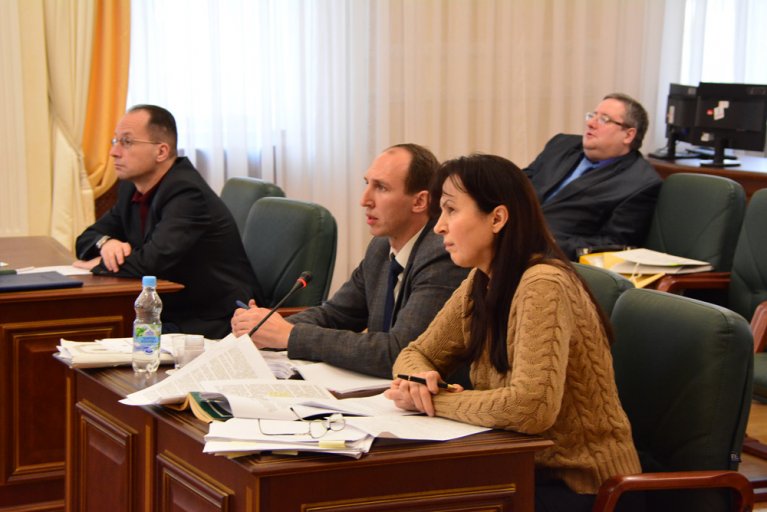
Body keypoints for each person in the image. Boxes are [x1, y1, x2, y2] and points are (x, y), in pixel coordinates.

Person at [385, 154, 641, 512]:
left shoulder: (543, 284)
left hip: (582, 486)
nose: (439, 227)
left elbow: (531, 408)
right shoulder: (481, 280)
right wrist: (415, 381)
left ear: (497, 218)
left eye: (451, 210)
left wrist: (434, 401)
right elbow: (416, 353)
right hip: (516, 466)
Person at [231, 144, 470, 378]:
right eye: (367, 184)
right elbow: (336, 315)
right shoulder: (380, 247)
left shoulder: (442, 254)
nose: (365, 200)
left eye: (381, 188)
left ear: (419, 202)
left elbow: (400, 351)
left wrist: (289, 335)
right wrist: (263, 326)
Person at [74, 104, 259, 339]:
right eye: (115, 141)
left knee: (97, 331)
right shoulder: (131, 188)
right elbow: (85, 240)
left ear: (161, 151)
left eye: (127, 142)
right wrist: (106, 243)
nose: (114, 152)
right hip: (167, 309)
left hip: (212, 319)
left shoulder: (187, 193)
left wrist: (100, 263)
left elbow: (151, 264)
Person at [524, 93, 662, 259]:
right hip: (508, 233)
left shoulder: (640, 183)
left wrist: (546, 244)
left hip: (552, 258)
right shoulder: (561, 145)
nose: (590, 123)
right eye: (592, 116)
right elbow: (520, 182)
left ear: (628, 135)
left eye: (604, 119)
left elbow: (613, 244)